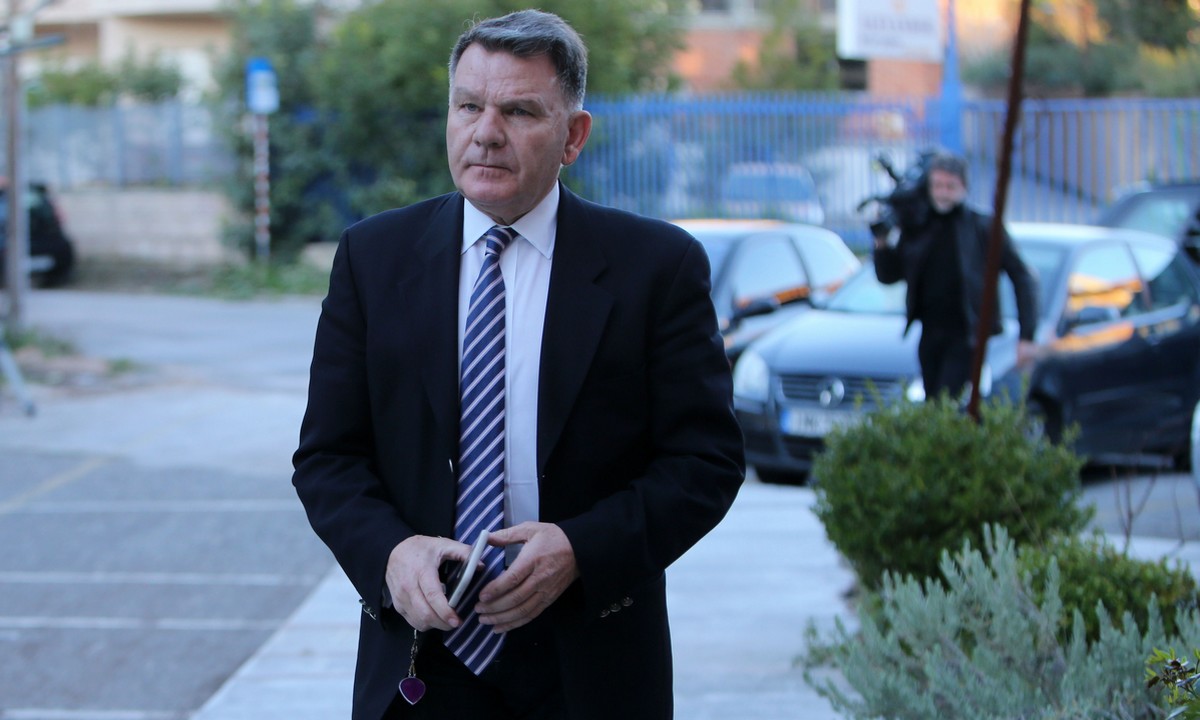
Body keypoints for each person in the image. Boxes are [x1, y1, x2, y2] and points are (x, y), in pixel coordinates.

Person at [291, 9, 744, 720]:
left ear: (574, 136)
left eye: (520, 111)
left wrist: (581, 549)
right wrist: (391, 554)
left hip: (589, 664)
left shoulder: (655, 268)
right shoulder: (373, 259)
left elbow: (705, 462)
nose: (486, 132)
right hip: (423, 661)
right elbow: (328, 458)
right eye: (468, 106)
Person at [873, 151, 1039, 400]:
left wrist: (1027, 335)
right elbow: (889, 276)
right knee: (932, 401)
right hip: (930, 333)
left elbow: (1023, 277)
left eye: (950, 186)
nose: (943, 193)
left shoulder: (982, 227)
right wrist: (882, 245)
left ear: (964, 187)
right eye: (937, 186)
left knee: (946, 399)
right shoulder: (919, 227)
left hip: (967, 334)